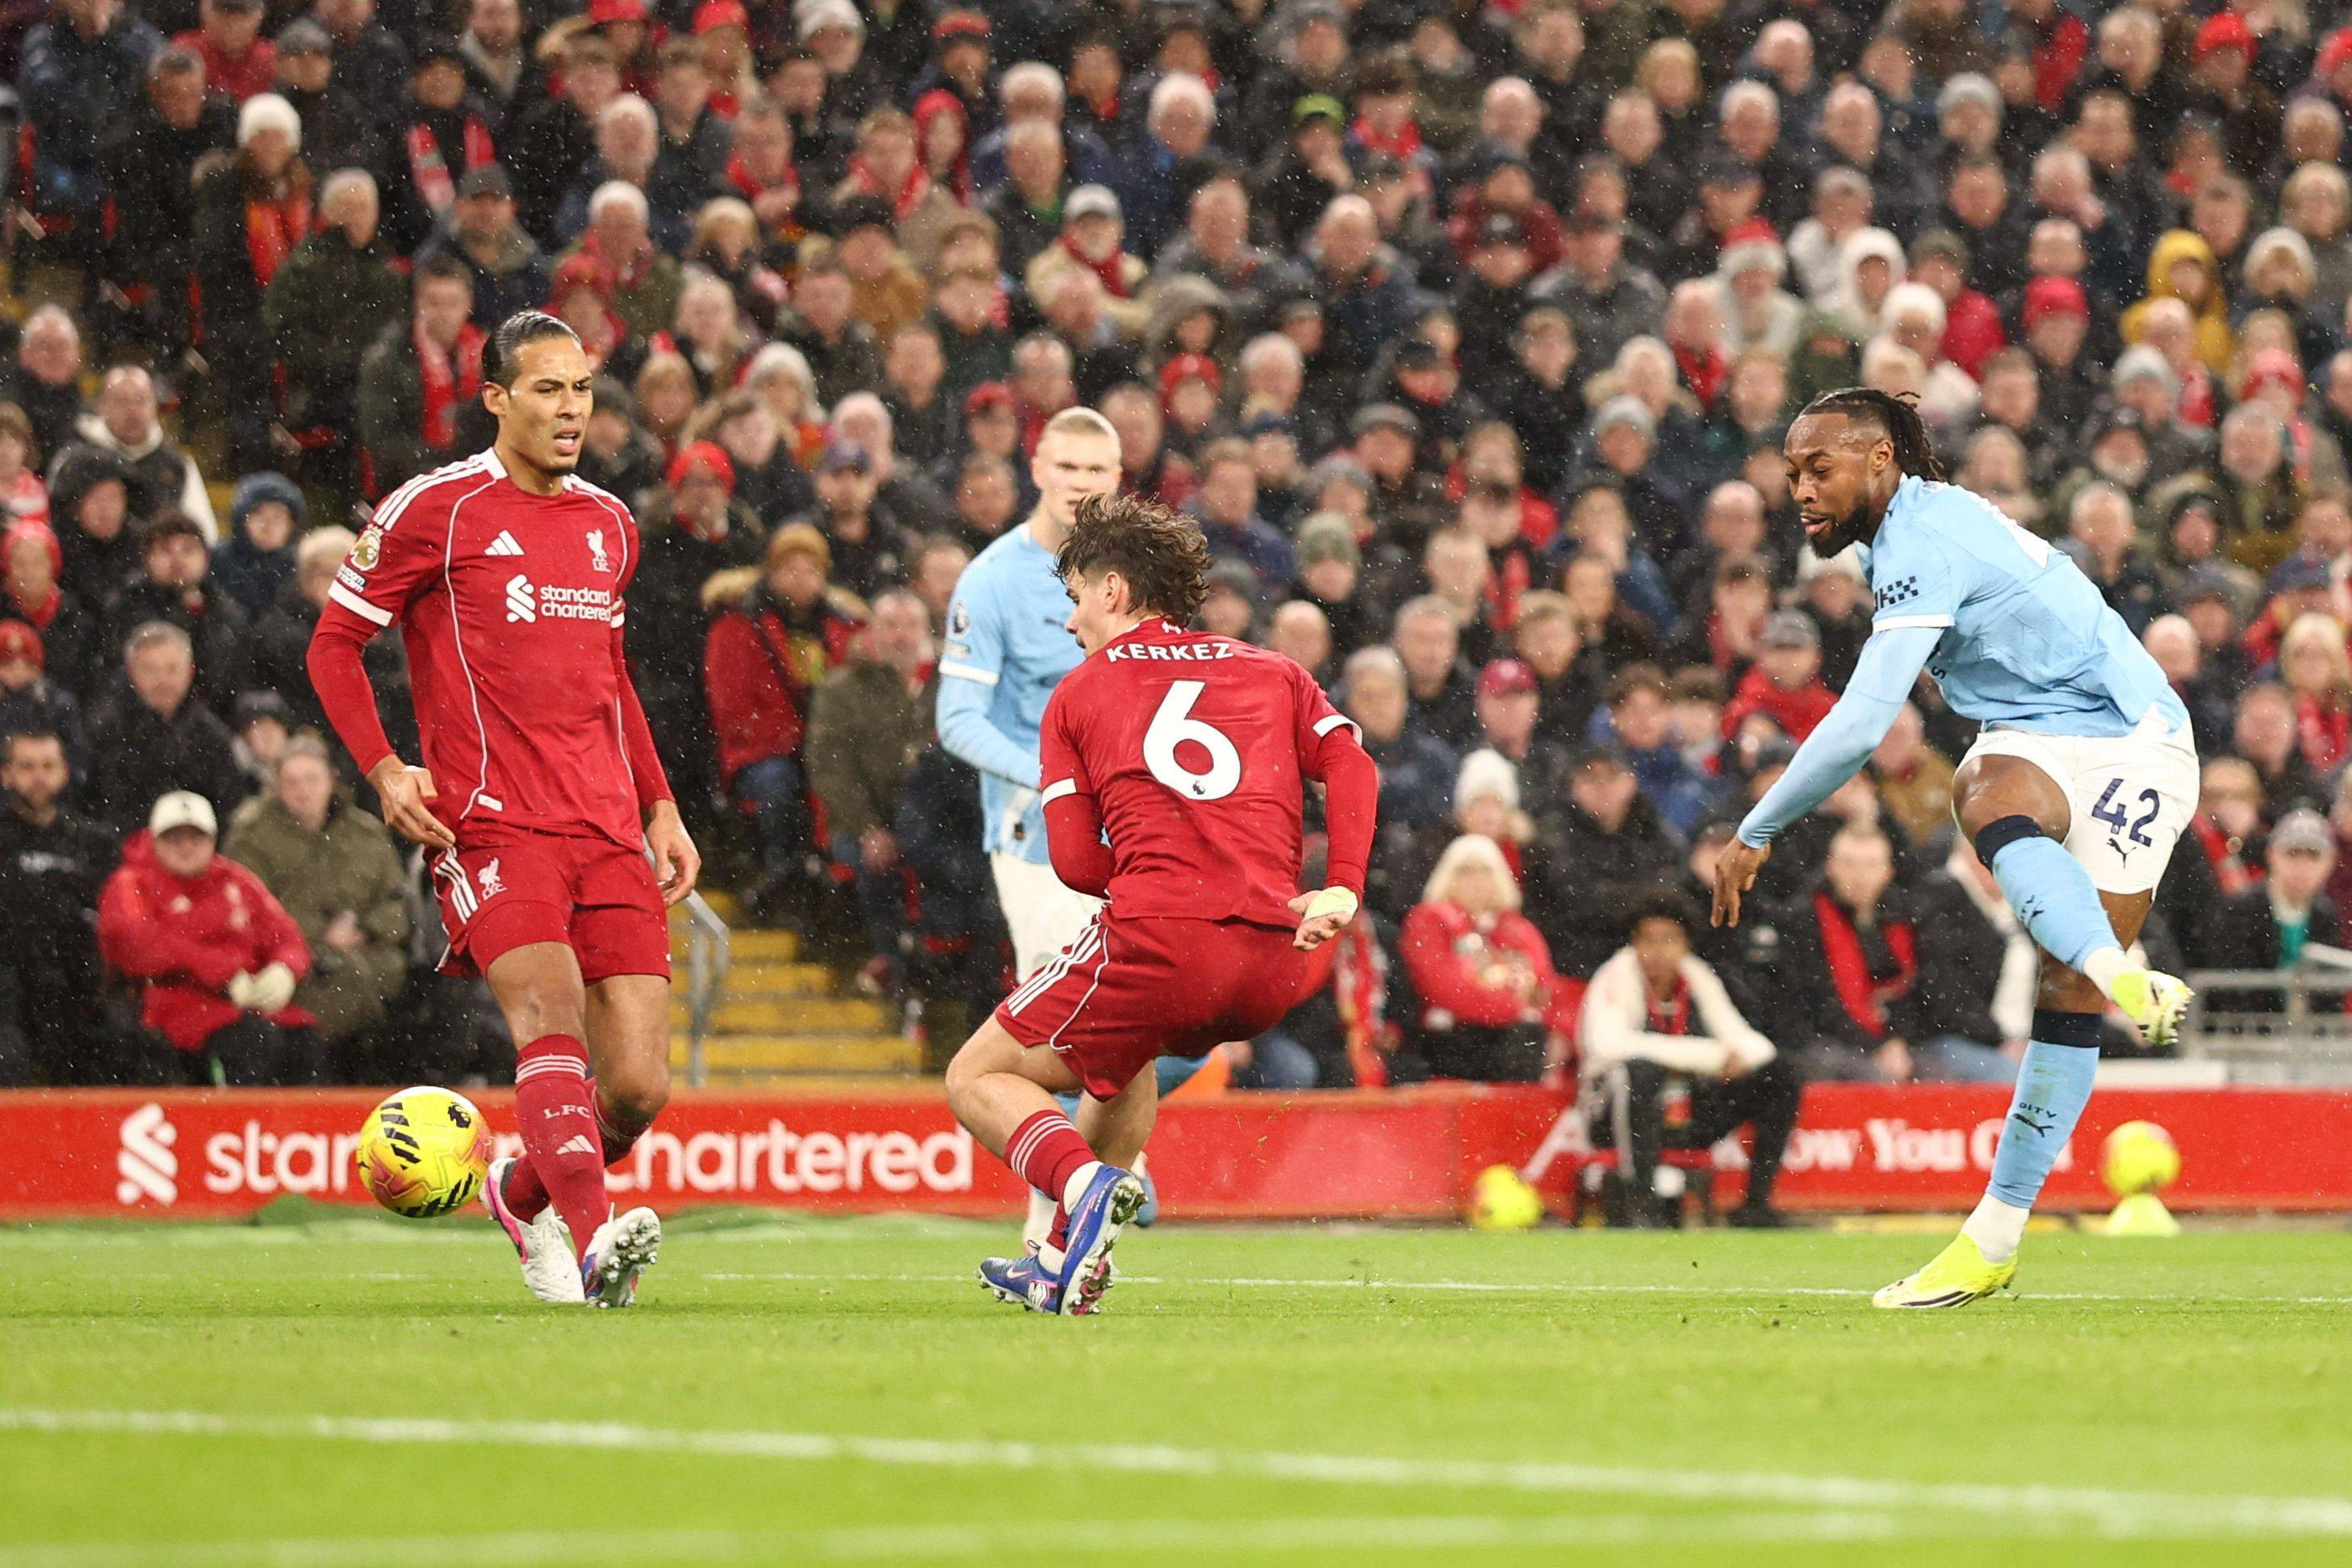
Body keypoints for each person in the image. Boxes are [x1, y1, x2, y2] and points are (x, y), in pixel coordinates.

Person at [1710, 387, 2199, 1309]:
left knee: (2063, 986)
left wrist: (1755, 829)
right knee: (1982, 789)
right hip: (2035, 730)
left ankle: (2105, 976)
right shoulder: (1916, 526)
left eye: (1819, 468)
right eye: (1790, 474)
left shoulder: (1917, 544)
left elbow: (1862, 721)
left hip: (2138, 737)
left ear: (1881, 460)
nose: (1800, 490)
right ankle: (1994, 1238)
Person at [306, 310, 700, 1310]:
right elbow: (333, 645)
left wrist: (660, 803)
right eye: (548, 390)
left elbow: (610, 679)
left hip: (607, 823)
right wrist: (387, 767)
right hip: (492, 821)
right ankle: (597, 1231)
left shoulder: (610, 523)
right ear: (496, 398)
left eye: (581, 390)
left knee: (641, 1087)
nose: (571, 410)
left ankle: (522, 1196)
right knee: (547, 1012)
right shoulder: (434, 509)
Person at [944, 491, 1376, 1314]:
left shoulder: (1075, 695)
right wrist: (1344, 884)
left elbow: (1072, 861)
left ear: (1111, 590)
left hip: (1162, 942)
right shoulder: (1272, 669)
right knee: (1120, 1061)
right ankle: (1068, 1262)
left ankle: (1084, 1184)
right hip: (1276, 957)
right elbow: (1353, 766)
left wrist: (1171, 884)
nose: (1070, 624)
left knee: (976, 1073)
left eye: (1073, 600)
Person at [938, 407, 1216, 1248]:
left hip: (1143, 841)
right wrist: (1059, 779)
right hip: (1038, 846)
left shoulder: (1134, 575)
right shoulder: (991, 580)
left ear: (1119, 476)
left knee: (1173, 1016)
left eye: (1097, 471)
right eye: (1067, 468)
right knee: (1071, 1027)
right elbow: (957, 719)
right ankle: (1057, 1219)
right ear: (1037, 468)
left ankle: (1103, 1159)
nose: (1082, 485)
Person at [1578, 893, 1799, 1228]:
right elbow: (1608, 1045)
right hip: (1615, 1117)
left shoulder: (1697, 977)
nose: (1659, 952)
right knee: (1640, 1070)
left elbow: (1747, 1042)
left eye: (1670, 940)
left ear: (1686, 945)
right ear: (1633, 944)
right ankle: (1642, 1202)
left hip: (1684, 1113)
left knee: (1779, 1076)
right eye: (1649, 940)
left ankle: (1756, 1205)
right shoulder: (1615, 976)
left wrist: (1736, 1059)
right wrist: (1707, 1056)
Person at [97, 790, 315, 1085]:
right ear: (155, 839)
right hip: (172, 1004)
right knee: (252, 1043)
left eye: (196, 837)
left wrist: (284, 970)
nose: (186, 847)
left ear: (212, 840)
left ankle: (298, 1129)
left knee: (305, 1042)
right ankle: (241, 1127)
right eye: (174, 838)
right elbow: (139, 944)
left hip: (246, 1003)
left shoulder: (237, 880)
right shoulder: (131, 883)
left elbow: (286, 937)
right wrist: (223, 973)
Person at [0, 728, 117, 1083]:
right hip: (9, 984)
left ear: (65, 771)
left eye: (48, 766)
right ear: (6, 774)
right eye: (27, 767)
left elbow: (115, 918)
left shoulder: (95, 841)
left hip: (78, 983)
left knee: (125, 1040)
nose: (38, 778)